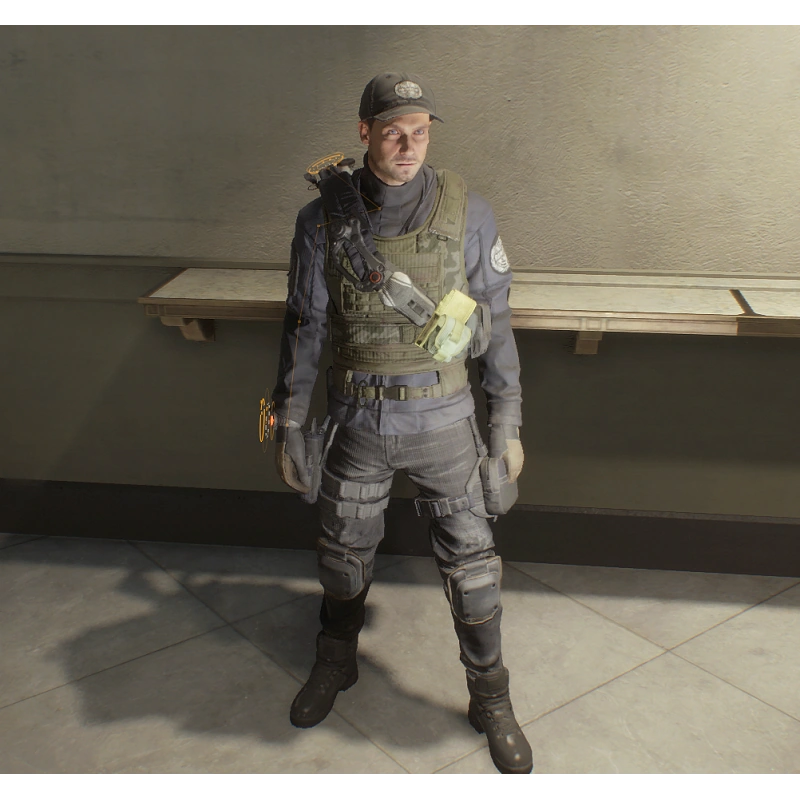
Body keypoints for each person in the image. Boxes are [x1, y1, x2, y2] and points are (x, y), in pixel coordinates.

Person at [272, 71, 531, 776]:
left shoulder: (469, 212)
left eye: (420, 131)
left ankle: (492, 698)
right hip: (357, 420)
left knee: (474, 572)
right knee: (341, 556)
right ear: (365, 133)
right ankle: (336, 660)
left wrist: (507, 421)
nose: (409, 145)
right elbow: (303, 328)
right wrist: (288, 422)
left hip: (444, 420)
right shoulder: (320, 222)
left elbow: (497, 324)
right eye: (393, 131)